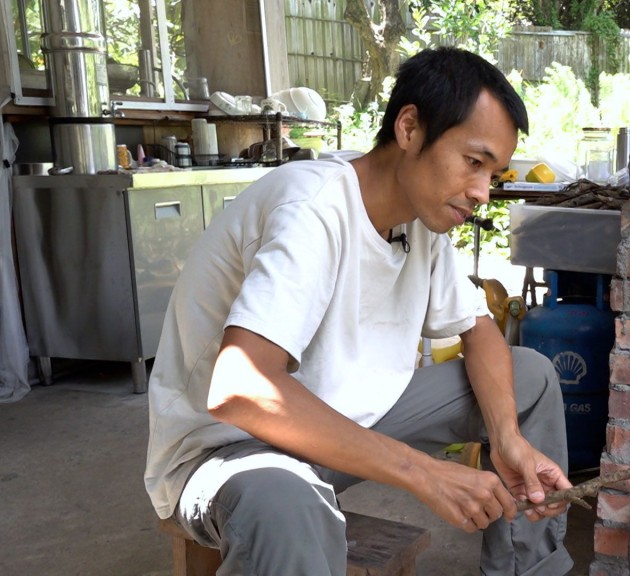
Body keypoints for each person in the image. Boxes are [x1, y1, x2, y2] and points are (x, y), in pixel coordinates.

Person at [144, 47, 574, 575]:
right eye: (473, 162)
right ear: (410, 127)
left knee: (528, 376)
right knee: (289, 508)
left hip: (347, 422)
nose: (483, 192)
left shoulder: (424, 217)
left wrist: (507, 440)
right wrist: (424, 473)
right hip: (232, 447)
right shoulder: (313, 211)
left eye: (494, 172)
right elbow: (240, 389)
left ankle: (528, 571)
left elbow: (478, 328)